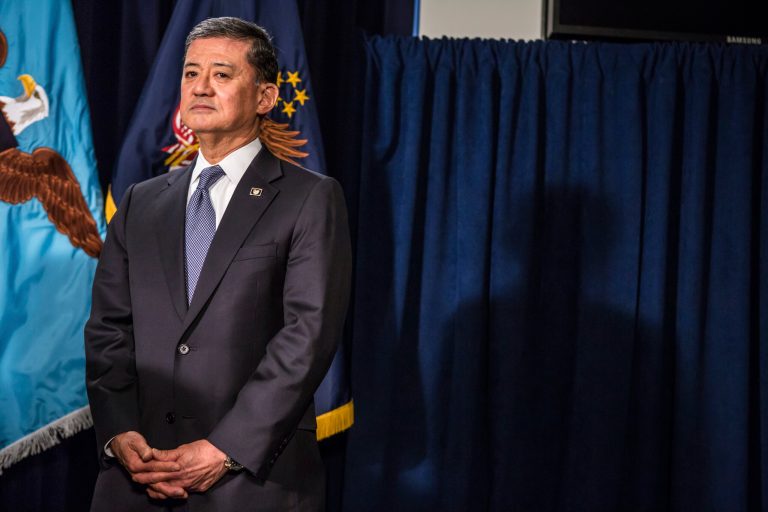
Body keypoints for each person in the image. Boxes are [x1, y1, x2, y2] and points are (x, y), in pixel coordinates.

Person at [85, 17, 351, 512]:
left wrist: (224, 450)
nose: (200, 87)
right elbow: (108, 331)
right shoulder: (141, 202)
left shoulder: (310, 198)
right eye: (190, 73)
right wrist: (120, 432)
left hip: (250, 482)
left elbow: (307, 337)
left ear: (266, 98)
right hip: (137, 480)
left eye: (222, 74)